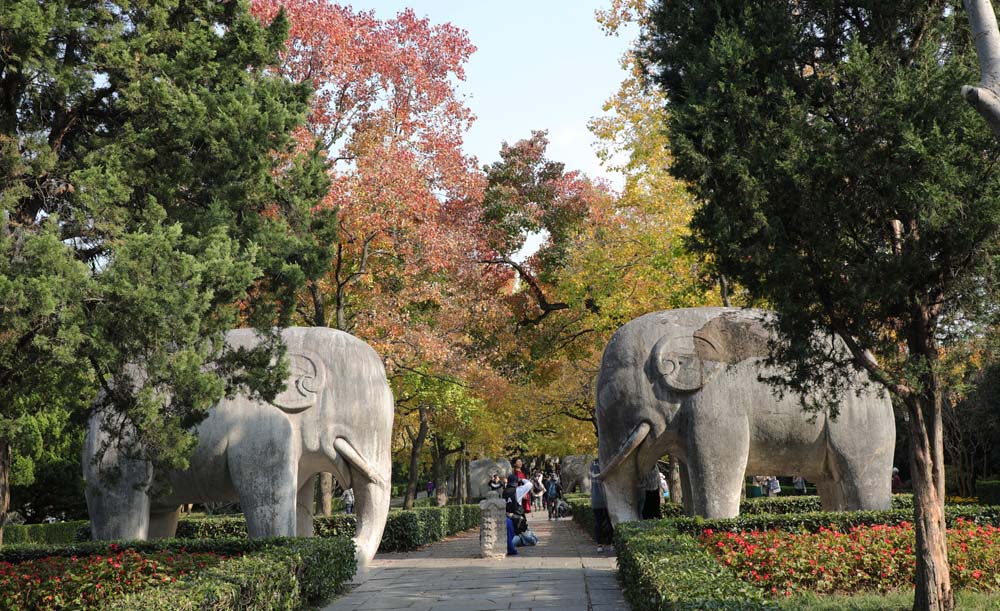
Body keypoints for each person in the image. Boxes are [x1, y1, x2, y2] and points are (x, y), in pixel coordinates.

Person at [590, 458, 613, 553]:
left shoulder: (593, 464)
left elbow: (592, 476)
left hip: (596, 499)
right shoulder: (609, 461)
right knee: (610, 522)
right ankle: (612, 543)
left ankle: (599, 545)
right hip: (609, 499)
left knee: (598, 522)